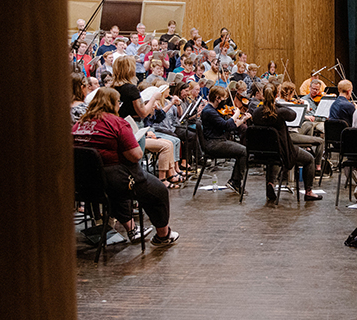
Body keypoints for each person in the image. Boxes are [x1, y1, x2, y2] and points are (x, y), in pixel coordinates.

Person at [72, 88, 179, 247]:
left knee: (116, 189)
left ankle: (132, 229)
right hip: (114, 179)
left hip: (83, 183)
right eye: (118, 103)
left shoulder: (78, 124)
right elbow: (135, 155)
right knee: (158, 191)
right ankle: (163, 235)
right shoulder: (116, 123)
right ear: (113, 104)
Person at [111, 57, 184, 188]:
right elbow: (143, 113)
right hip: (134, 126)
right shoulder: (131, 89)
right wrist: (154, 98)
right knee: (135, 161)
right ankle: (137, 191)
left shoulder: (111, 88)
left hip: (117, 125)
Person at [252, 85, 323, 203]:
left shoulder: (256, 113)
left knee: (273, 157)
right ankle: (309, 192)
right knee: (309, 159)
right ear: (276, 96)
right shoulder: (280, 111)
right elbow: (293, 115)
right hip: (283, 150)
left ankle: (270, 183)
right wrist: (279, 104)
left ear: (263, 95)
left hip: (263, 151)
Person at [200, 85, 251, 194]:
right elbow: (226, 126)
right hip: (214, 144)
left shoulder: (214, 110)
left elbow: (231, 126)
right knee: (244, 151)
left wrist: (242, 119)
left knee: (242, 151)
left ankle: (235, 181)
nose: (225, 101)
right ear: (217, 98)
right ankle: (235, 182)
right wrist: (235, 115)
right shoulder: (209, 111)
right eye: (223, 98)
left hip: (219, 141)